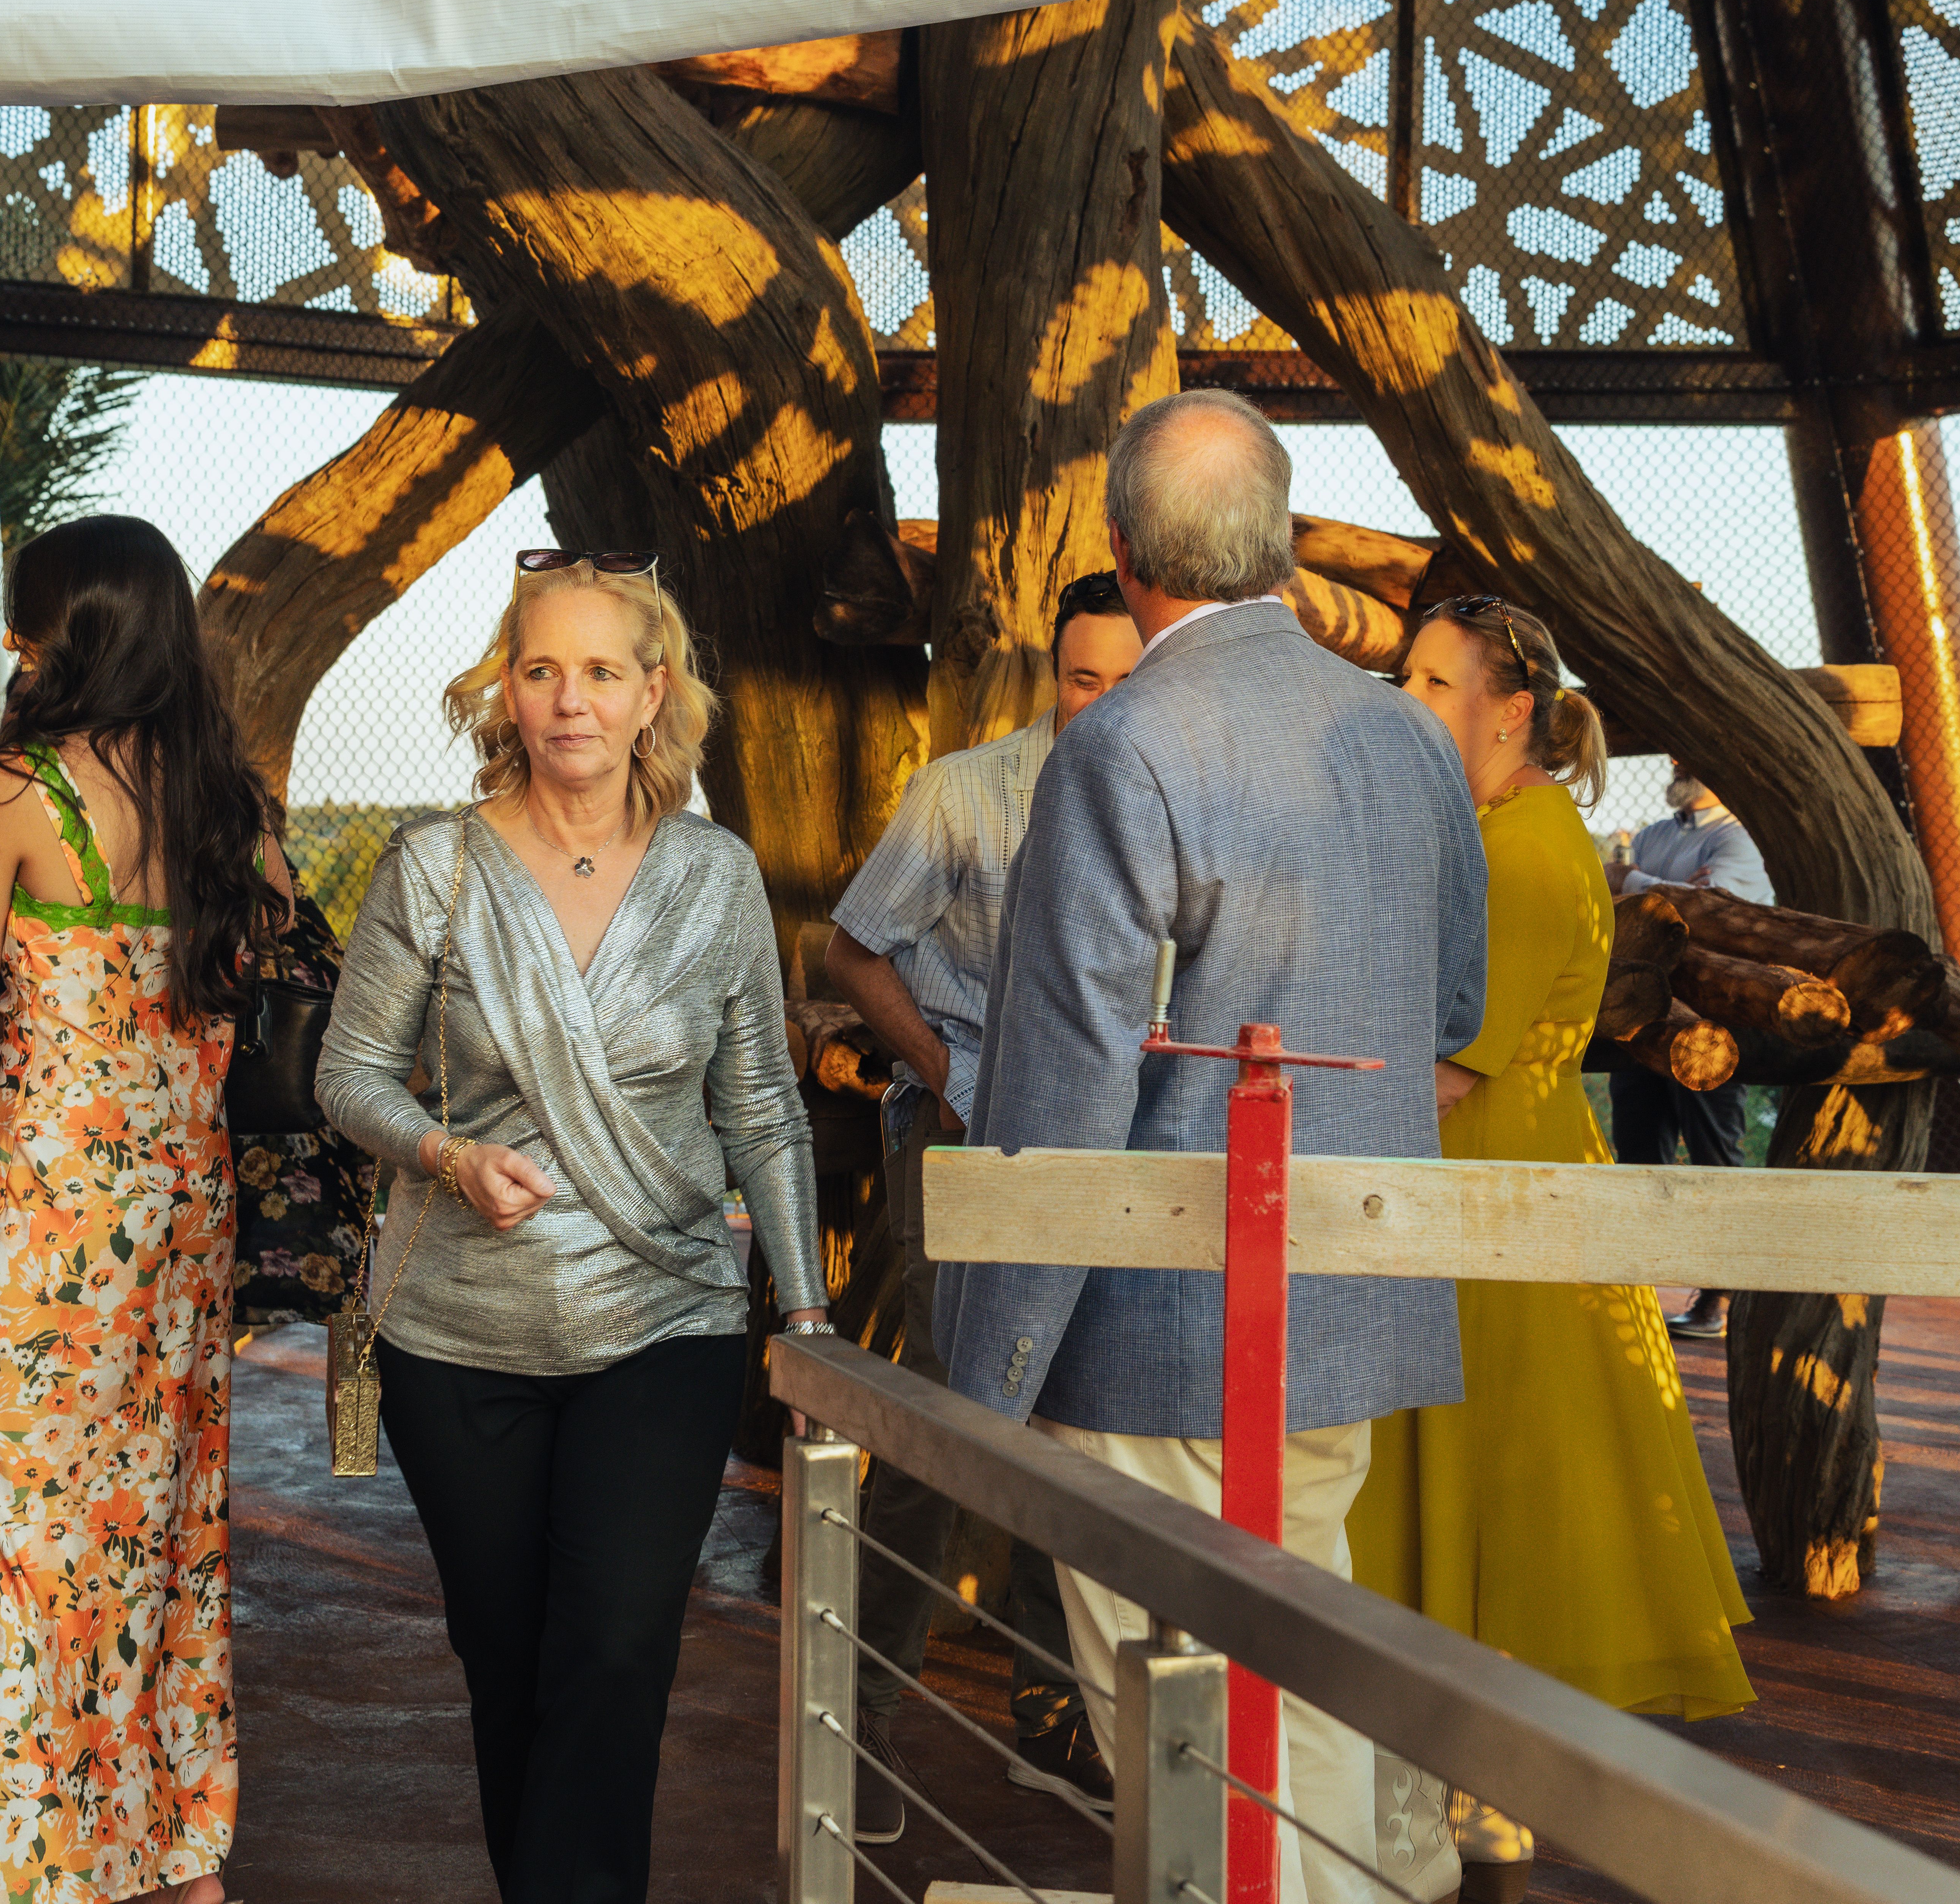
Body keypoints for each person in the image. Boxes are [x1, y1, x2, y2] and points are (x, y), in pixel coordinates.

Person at [935, 391, 1489, 1904]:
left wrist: (983, 1389)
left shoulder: (1119, 746)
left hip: (1160, 1332)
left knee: (1200, 1741)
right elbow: (1454, 1013)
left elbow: (1061, 1094)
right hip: (1353, 1298)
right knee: (1297, 1674)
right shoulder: (1408, 738)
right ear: (1283, 542)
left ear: (1118, 551)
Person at [317, 552, 828, 1904]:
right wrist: (444, 1150)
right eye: (540, 668)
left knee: (612, 1652)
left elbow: (764, 1109)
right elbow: (346, 1072)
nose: (568, 701)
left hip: (662, 1325)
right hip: (455, 1339)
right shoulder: (434, 865)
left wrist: (810, 1316)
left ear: (653, 693)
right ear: (506, 686)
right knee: (513, 1664)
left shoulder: (716, 879)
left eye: (601, 671)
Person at [1353, 596, 1756, 1904]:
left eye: (1429, 681)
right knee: (1474, 1483)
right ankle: (1456, 1796)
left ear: (1508, 707)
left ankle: (1472, 1803)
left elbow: (1444, 1078)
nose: (1404, 699)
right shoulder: (1496, 833)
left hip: (1482, 1193)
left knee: (1488, 1482)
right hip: (1500, 1186)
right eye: (1405, 677)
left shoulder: (1520, 855)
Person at [0, 515, 290, 1904]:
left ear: (56, 631)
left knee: (20, 1543)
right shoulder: (227, 804)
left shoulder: (6, 796)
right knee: (159, 1535)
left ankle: (33, 1868)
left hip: (50, 1230)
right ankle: (170, 1852)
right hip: (181, 1235)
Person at [824, 569, 1144, 1838]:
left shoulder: (1185, 796)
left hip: (1117, 1160)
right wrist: (947, 1070)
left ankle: (1055, 1716)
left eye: (1131, 677)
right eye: (1083, 677)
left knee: (1083, 1425)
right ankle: (849, 1721)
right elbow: (852, 946)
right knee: (952, 1426)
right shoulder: (967, 790)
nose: (1106, 701)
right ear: (1049, 674)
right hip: (962, 1140)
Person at [1607, 758, 1773, 1340]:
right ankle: (1636, 1295)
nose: (1678, 765)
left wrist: (1633, 882)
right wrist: (1664, 896)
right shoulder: (1657, 834)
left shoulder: (1743, 838)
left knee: (1713, 1156)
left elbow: (1712, 912)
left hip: (1714, 1026)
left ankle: (1719, 1298)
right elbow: (1646, 913)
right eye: (1674, 756)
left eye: (1690, 755)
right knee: (1637, 1158)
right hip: (1643, 1019)